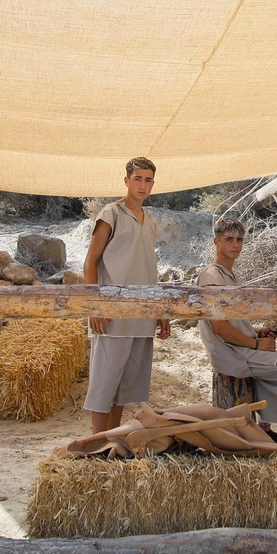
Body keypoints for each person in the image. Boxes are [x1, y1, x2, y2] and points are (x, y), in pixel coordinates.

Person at [196, 217, 277, 461]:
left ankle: (266, 433)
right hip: (231, 355)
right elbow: (219, 327)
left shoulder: (228, 275)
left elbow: (231, 322)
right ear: (217, 242)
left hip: (239, 348)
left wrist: (255, 331)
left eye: (239, 240)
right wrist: (256, 344)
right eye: (229, 240)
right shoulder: (213, 276)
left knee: (275, 365)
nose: (235, 245)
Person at [82, 156, 171, 433]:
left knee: (124, 386)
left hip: (142, 316)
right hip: (112, 315)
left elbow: (148, 269)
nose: (143, 185)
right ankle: (96, 445)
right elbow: (90, 261)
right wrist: (94, 306)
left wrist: (160, 312)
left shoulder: (150, 220)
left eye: (148, 180)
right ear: (126, 181)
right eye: (137, 179)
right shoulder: (111, 214)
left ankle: (113, 441)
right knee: (104, 385)